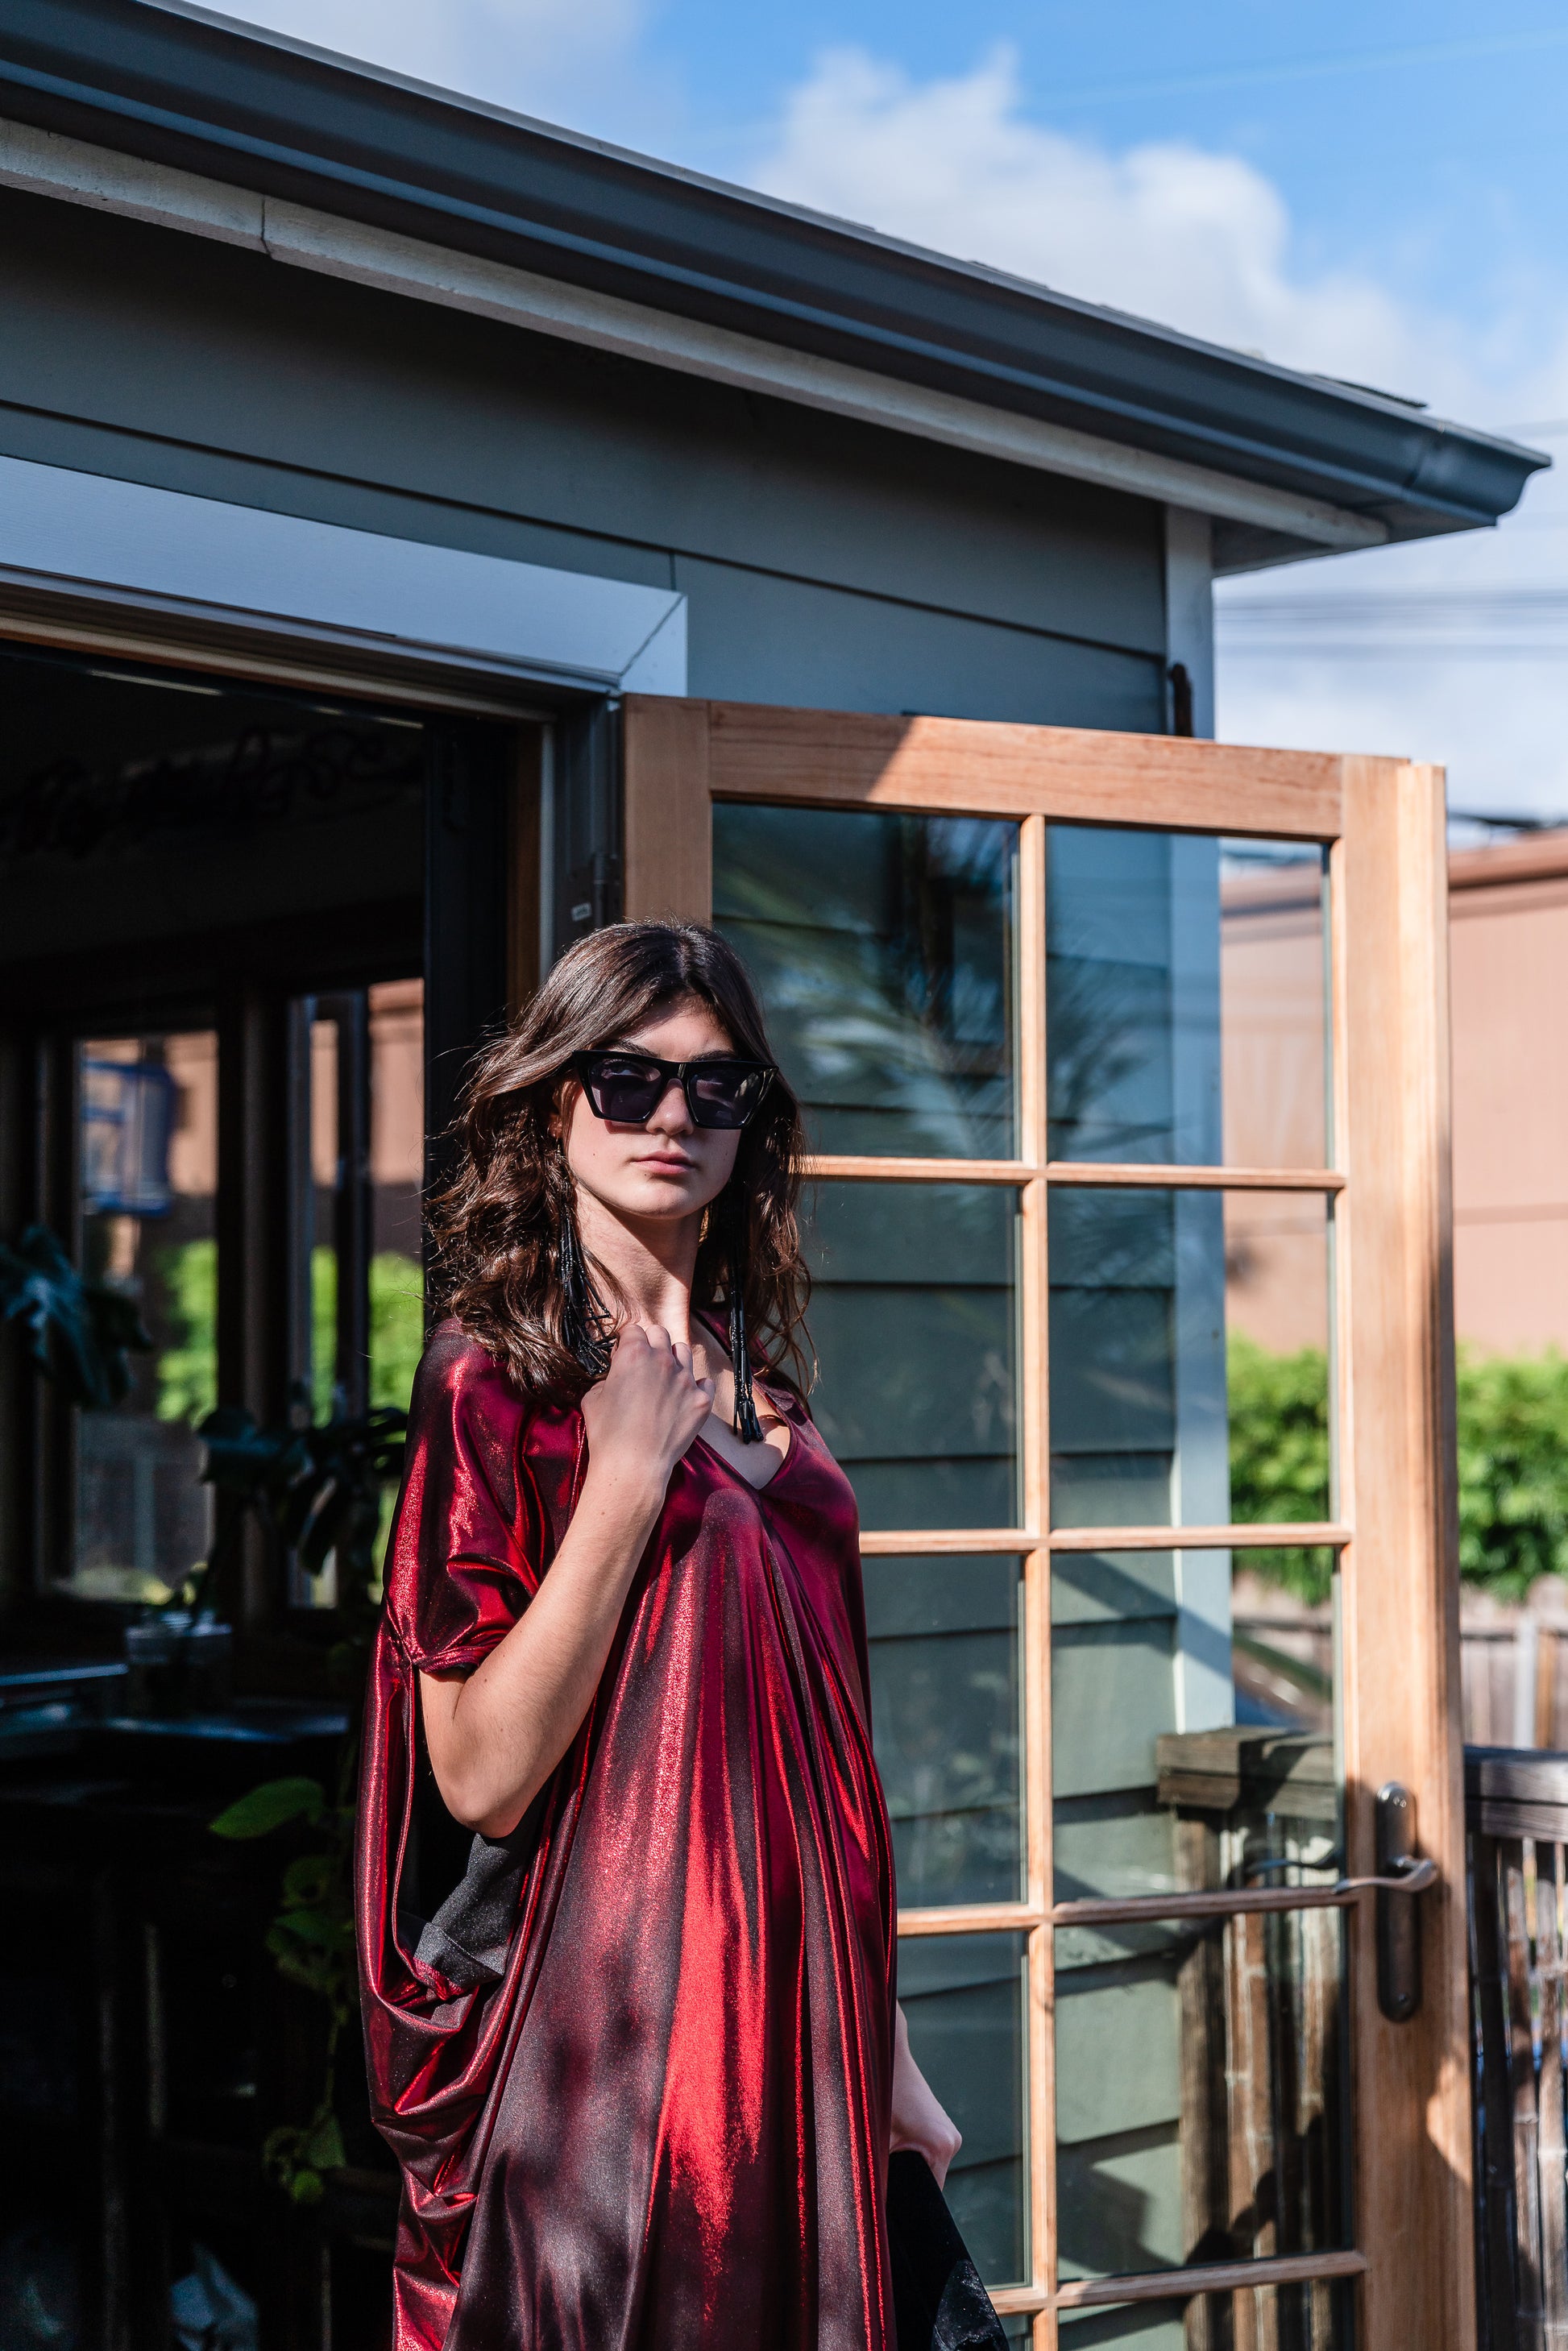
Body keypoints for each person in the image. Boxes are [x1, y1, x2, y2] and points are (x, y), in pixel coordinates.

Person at [355, 920, 962, 2351]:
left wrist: (888, 2059)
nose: (674, 1116)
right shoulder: (494, 1384)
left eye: (718, 1086)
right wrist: (624, 1476)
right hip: (614, 2066)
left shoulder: (776, 1412)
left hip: (799, 2046)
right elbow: (481, 1773)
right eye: (624, 1081)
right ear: (553, 1102)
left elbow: (814, 1769)